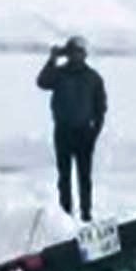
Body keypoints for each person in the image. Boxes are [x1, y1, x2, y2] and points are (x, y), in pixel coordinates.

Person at [36, 36, 107, 221]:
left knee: (84, 176)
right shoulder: (59, 73)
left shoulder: (93, 78)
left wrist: (95, 131)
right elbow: (42, 82)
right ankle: (65, 213)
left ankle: (86, 213)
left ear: (84, 54)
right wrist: (52, 60)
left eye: (79, 52)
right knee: (64, 175)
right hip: (63, 131)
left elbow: (101, 107)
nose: (75, 55)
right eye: (72, 51)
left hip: (84, 132)